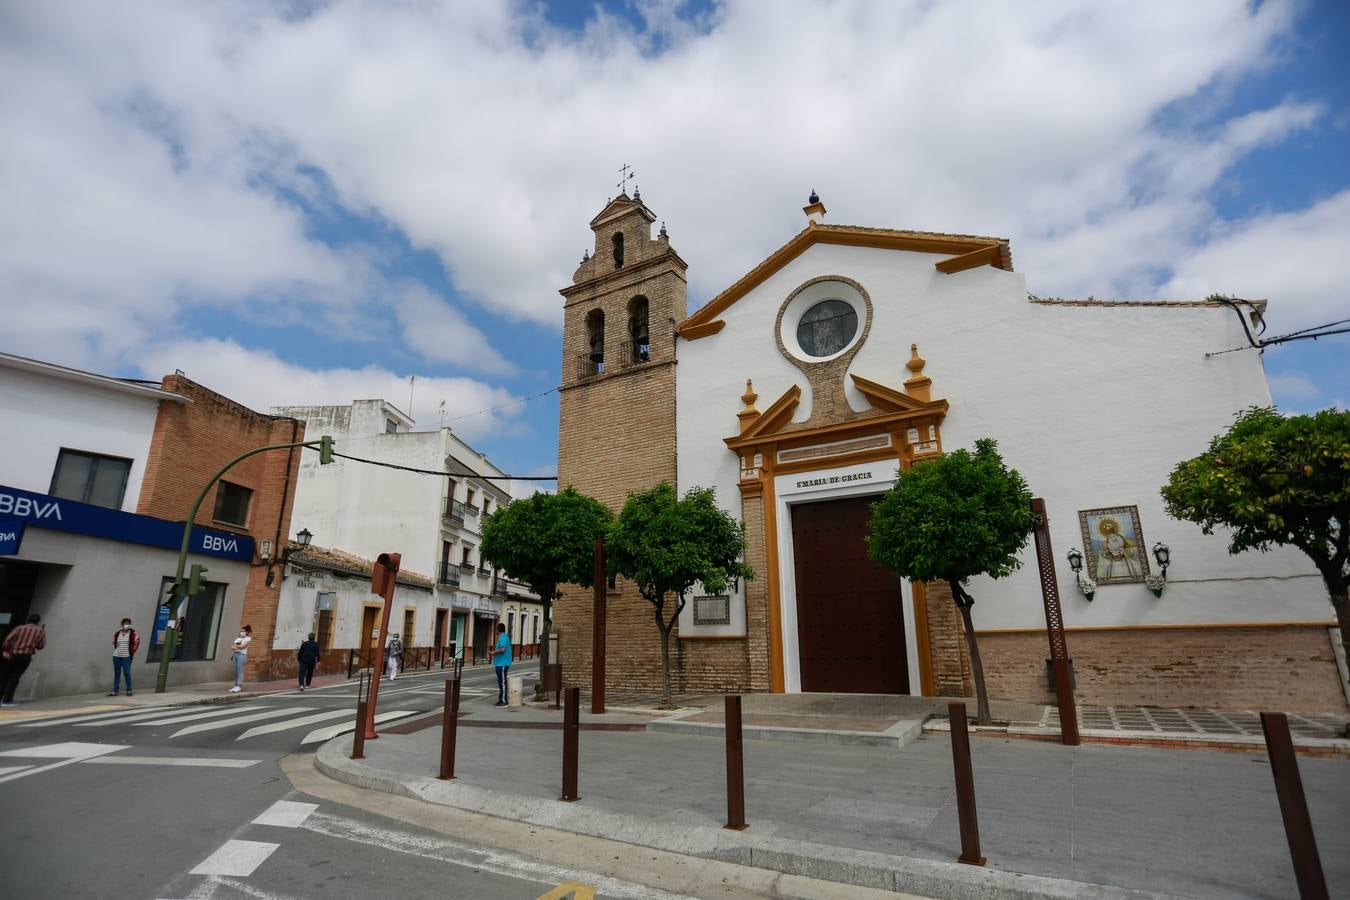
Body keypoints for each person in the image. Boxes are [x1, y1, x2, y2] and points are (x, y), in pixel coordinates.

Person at [1, 613, 47, 706]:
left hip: (12, 654)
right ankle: (7, 700)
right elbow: (41, 646)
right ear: (38, 622)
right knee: (15, 677)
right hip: (25, 656)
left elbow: (7, 640)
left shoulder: (19, 628)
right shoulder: (40, 631)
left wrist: (6, 650)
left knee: (4, 676)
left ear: (28, 620)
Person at [109, 617, 140, 696]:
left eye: (128, 623)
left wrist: (132, 652)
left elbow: (137, 642)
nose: (126, 625)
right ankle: (115, 690)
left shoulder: (133, 633)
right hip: (116, 656)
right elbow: (114, 642)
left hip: (126, 656)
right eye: (125, 623)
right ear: (122, 624)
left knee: (127, 673)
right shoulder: (117, 633)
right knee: (117, 673)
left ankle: (129, 690)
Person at [492, 622, 512, 707]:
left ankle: (504, 700)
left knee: (502, 682)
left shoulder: (503, 638)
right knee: (501, 682)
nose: (495, 631)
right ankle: (501, 699)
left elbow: (503, 649)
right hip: (500, 663)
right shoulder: (503, 637)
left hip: (502, 663)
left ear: (498, 629)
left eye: (496, 629)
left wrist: (494, 652)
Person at [229, 625, 252, 693]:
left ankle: (239, 686)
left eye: (243, 631)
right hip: (235, 655)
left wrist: (236, 646)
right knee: (235, 671)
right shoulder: (237, 639)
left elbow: (242, 646)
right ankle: (235, 685)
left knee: (240, 670)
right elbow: (232, 647)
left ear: (247, 632)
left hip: (241, 655)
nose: (241, 632)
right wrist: (237, 646)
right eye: (241, 631)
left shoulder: (248, 638)